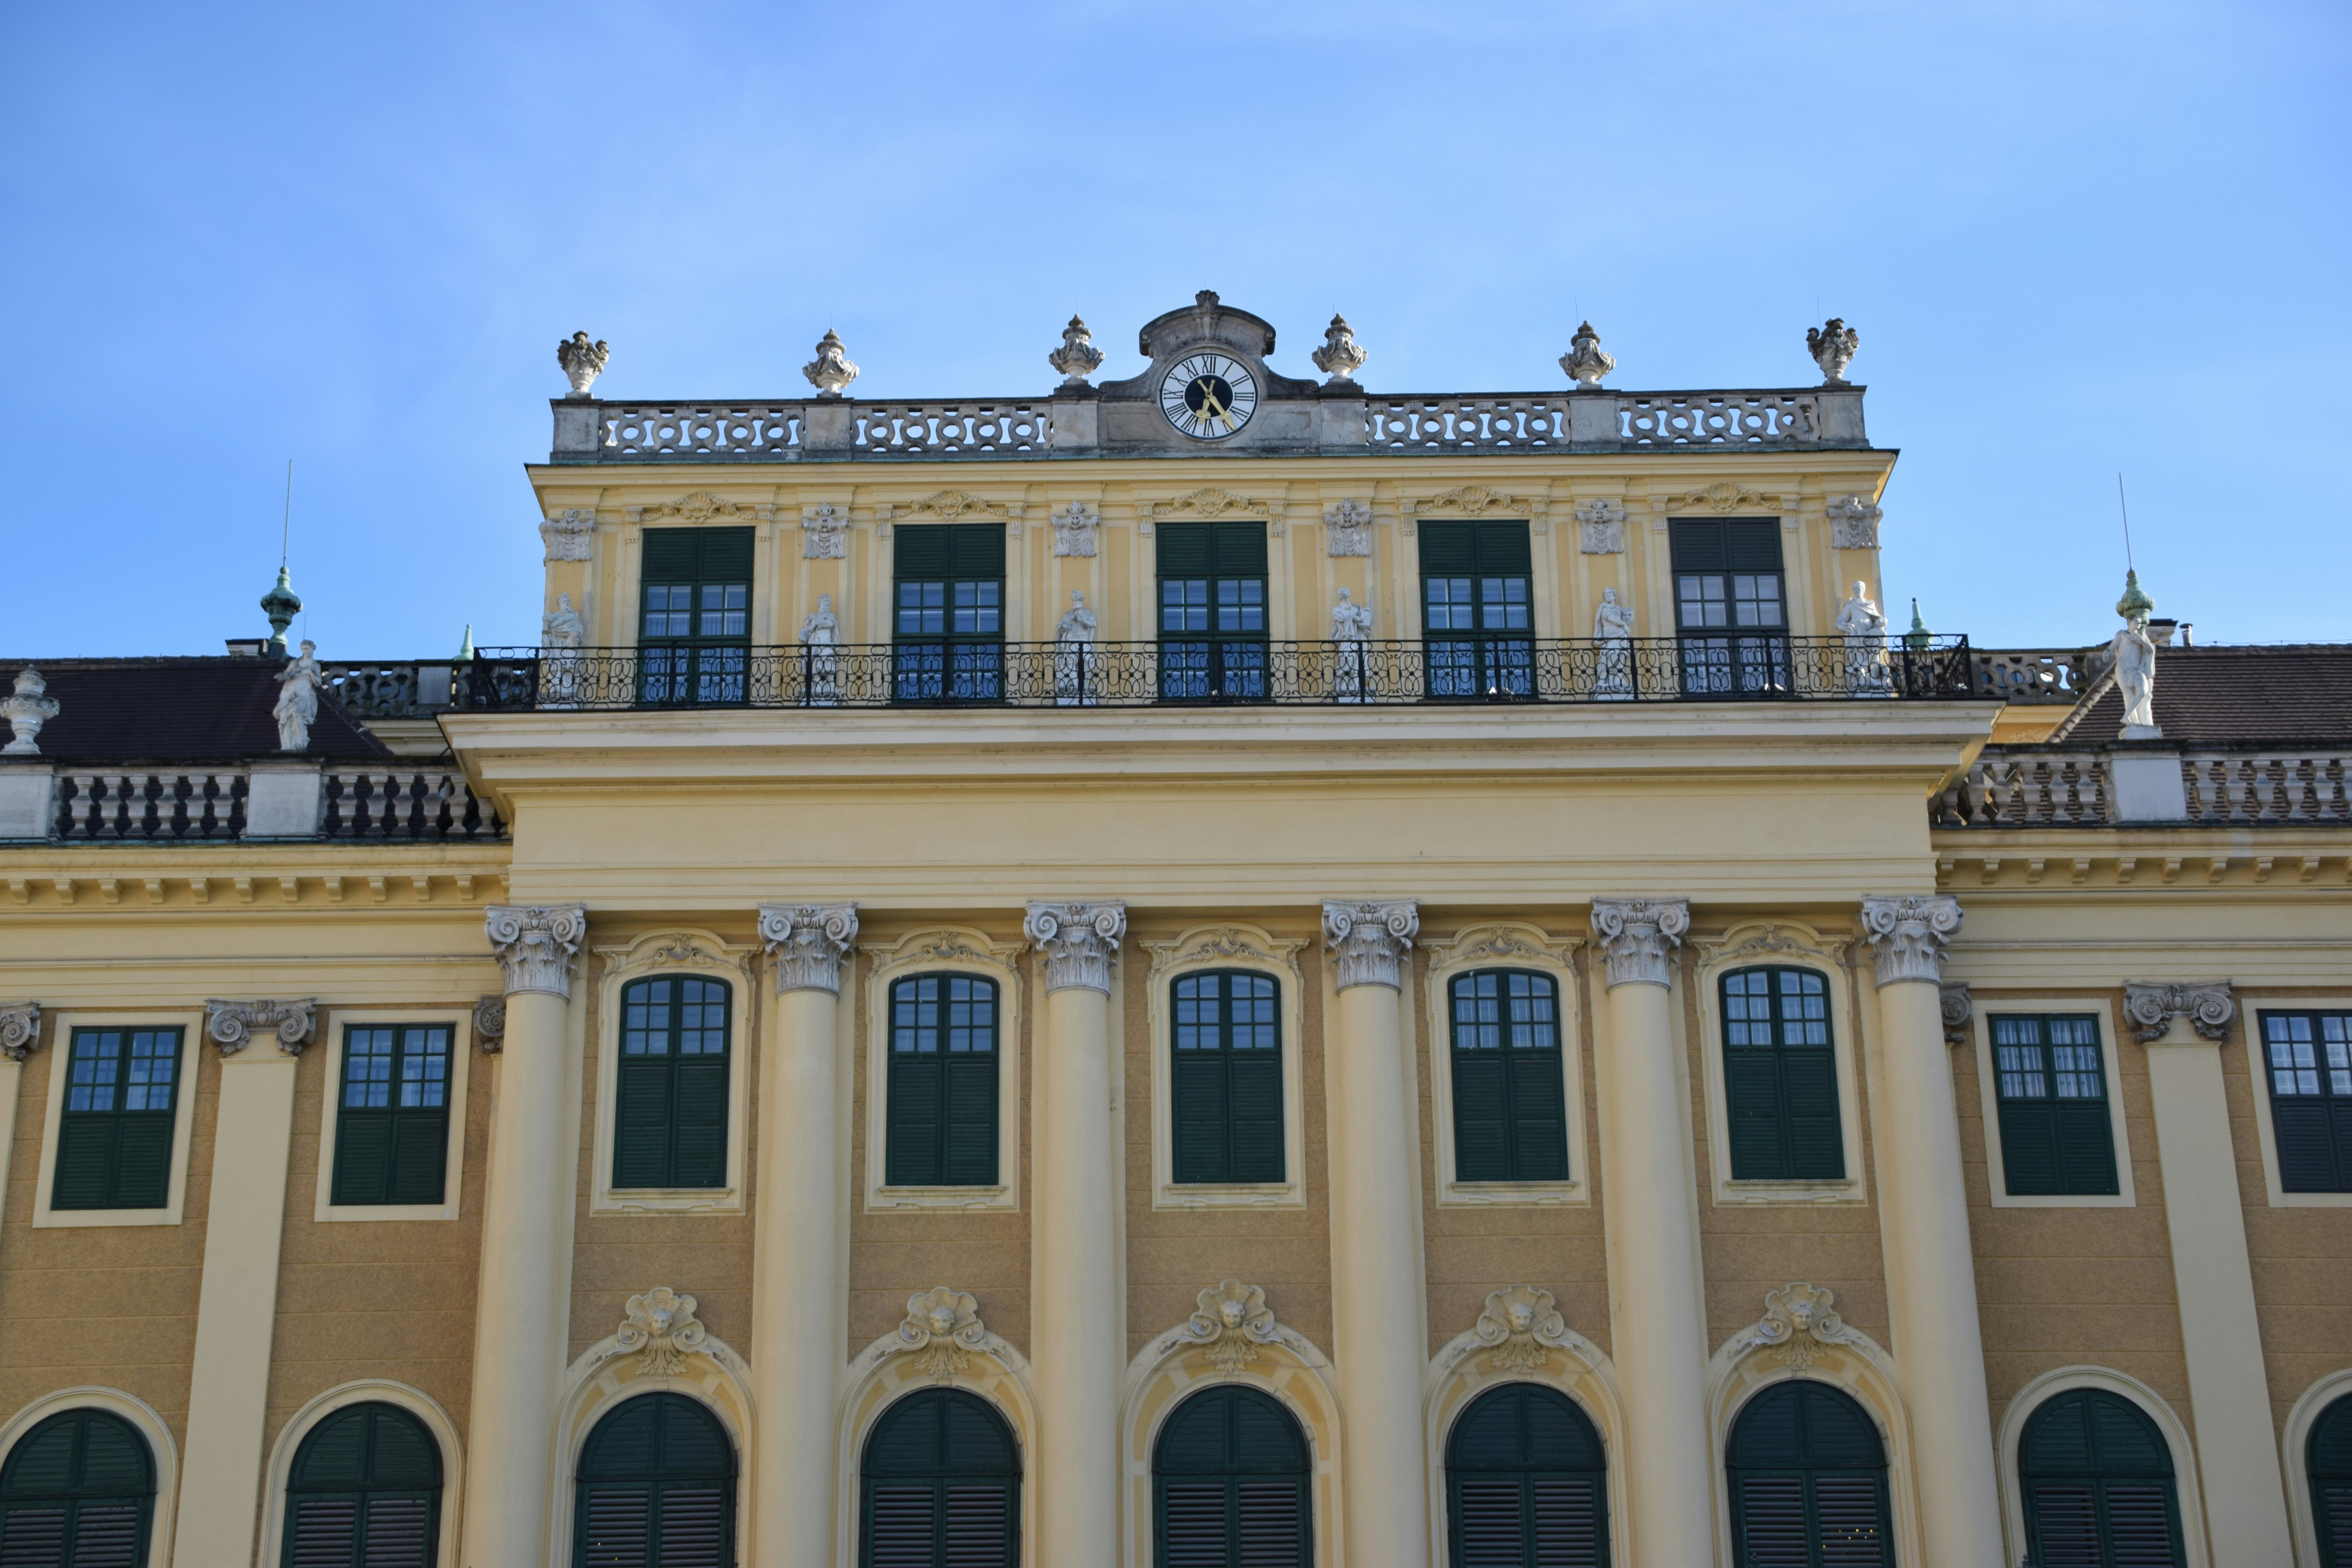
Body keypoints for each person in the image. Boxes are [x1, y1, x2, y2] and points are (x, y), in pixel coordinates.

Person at [1835, 581, 1890, 694]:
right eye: (1855, 589)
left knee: (1881, 632)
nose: (1857, 591)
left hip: (1869, 632)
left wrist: (1881, 621)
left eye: (1859, 588)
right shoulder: (1850, 605)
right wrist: (1846, 627)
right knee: (1858, 655)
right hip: (1856, 632)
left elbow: (1877, 618)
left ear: (1863, 590)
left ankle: (1875, 658)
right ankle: (1862, 676)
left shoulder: (1870, 604)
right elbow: (1841, 621)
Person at [273, 640, 323, 751]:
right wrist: (286, 675)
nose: (305, 651)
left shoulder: (315, 665)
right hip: (291, 693)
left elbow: (319, 682)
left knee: (296, 710)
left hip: (304, 694)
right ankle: (289, 745)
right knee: (286, 718)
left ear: (313, 648)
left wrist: (310, 673)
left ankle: (301, 740)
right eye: (303, 649)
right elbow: (287, 674)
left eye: (307, 649)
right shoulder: (295, 663)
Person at [1054, 590, 1098, 705]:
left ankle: (1086, 686)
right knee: (1071, 661)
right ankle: (1075, 686)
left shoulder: (1088, 614)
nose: (1075, 603)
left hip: (1084, 641)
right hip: (1072, 642)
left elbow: (1093, 624)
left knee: (1088, 661)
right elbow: (1061, 628)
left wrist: (1080, 619)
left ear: (1081, 602)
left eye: (1077, 601)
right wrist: (1063, 628)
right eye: (1074, 601)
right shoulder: (1069, 615)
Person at [1330, 588, 1374, 702]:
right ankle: (1343, 683)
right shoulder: (1337, 610)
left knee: (1357, 661)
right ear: (1340, 598)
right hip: (1346, 640)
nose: (1346, 599)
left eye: (1347, 596)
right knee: (1347, 659)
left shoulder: (1356, 609)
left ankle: (1355, 684)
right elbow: (1339, 619)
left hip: (1357, 639)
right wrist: (1353, 619)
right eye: (1343, 597)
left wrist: (1364, 619)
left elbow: (1364, 622)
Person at [1592, 587, 1635, 698]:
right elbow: (1609, 618)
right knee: (1607, 657)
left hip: (1620, 636)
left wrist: (1628, 619)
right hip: (1609, 637)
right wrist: (1624, 625)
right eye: (1606, 593)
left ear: (1614, 595)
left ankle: (1618, 679)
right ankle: (1602, 680)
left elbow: (1627, 618)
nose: (1608, 595)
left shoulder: (1620, 610)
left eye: (1610, 593)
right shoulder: (1604, 607)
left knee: (1621, 657)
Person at [800, 593, 840, 706]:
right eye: (825, 602)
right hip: (816, 643)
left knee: (829, 663)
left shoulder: (831, 616)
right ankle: (816, 684)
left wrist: (819, 623)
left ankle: (831, 685)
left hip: (826, 642)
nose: (827, 605)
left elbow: (830, 624)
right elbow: (807, 630)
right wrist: (810, 628)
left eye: (829, 603)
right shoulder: (813, 617)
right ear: (820, 604)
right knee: (816, 664)